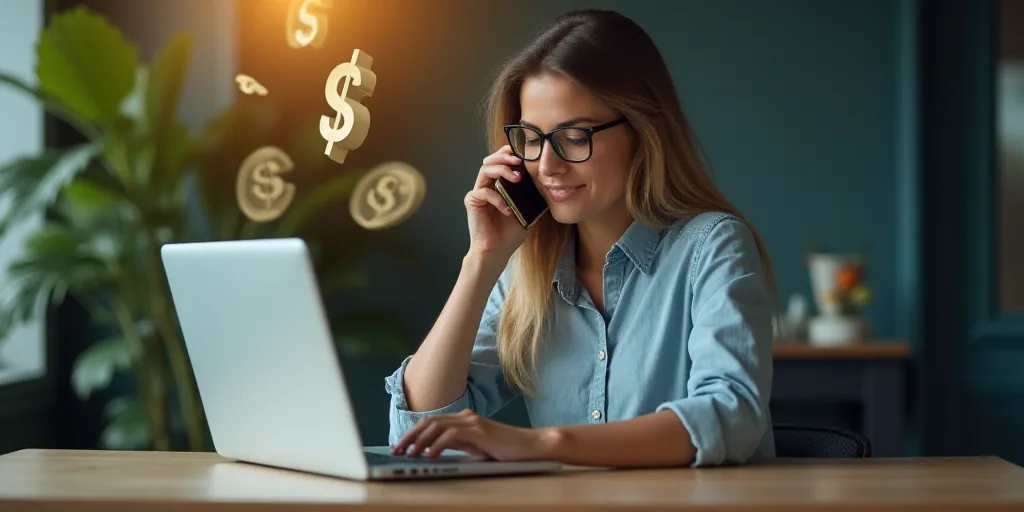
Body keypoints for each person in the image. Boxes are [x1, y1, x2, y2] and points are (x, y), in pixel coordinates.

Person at [384, 8, 777, 468]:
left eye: (574, 136)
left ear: (642, 132)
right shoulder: (526, 271)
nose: (547, 165)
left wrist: (543, 444)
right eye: (530, 138)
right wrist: (481, 261)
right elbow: (415, 432)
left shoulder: (712, 246)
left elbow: (731, 415)